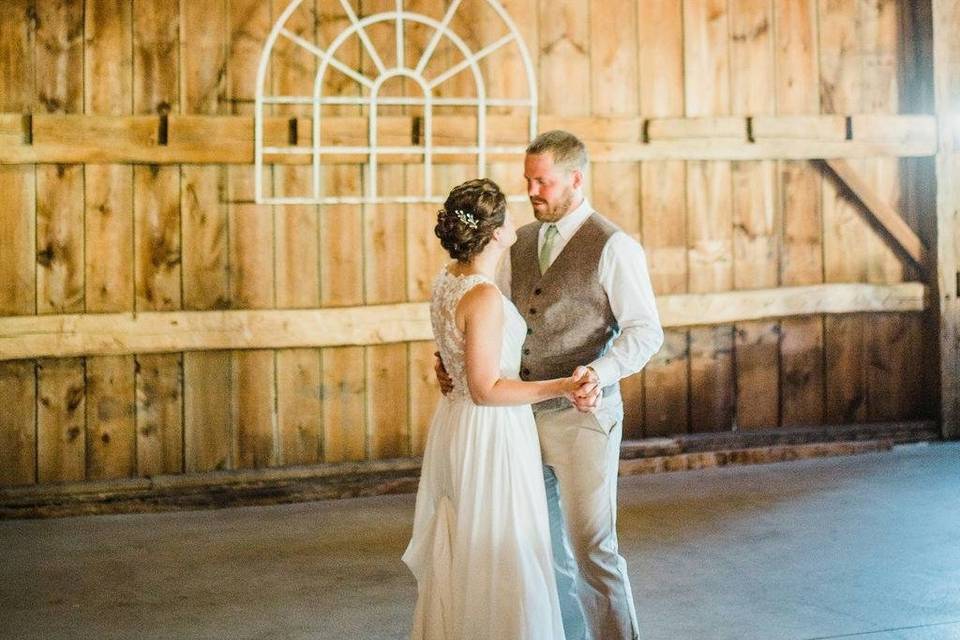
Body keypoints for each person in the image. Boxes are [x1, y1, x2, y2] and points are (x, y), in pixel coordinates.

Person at [436, 131, 664, 640]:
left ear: (575, 179)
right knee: (541, 550)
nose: (532, 190)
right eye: (528, 180)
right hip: (515, 420)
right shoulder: (516, 241)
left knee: (592, 549)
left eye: (543, 181)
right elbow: (493, 323)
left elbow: (646, 331)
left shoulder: (614, 246)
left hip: (583, 417)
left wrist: (597, 374)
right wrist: (456, 361)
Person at [402, 178, 598, 640]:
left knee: (472, 541)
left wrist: (445, 365)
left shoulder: (448, 280)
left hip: (456, 424)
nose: (516, 220)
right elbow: (487, 388)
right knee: (504, 547)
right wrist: (564, 385)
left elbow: (456, 353)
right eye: (508, 216)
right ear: (495, 234)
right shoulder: (484, 296)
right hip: (491, 431)